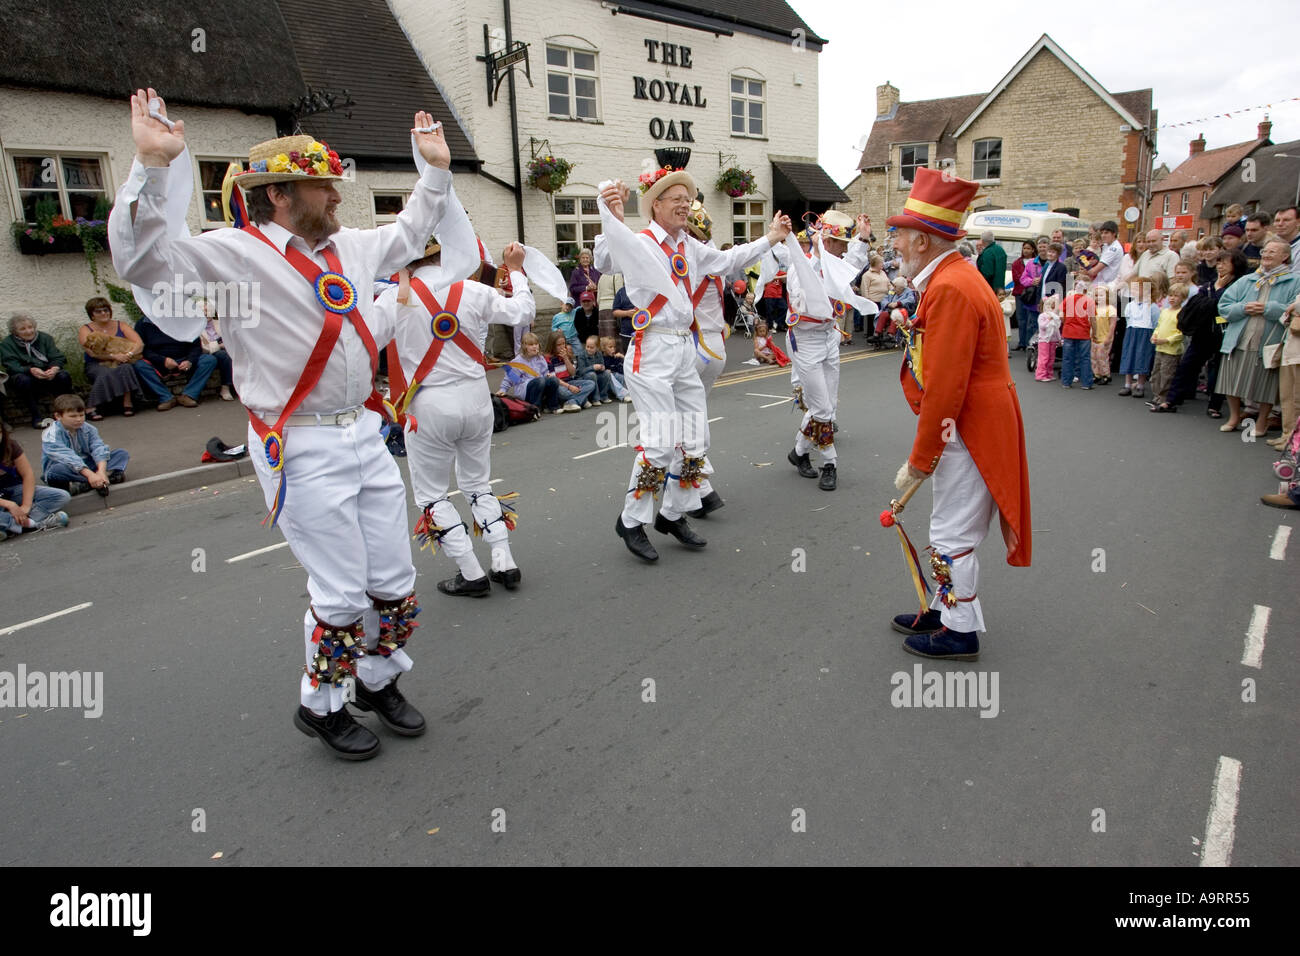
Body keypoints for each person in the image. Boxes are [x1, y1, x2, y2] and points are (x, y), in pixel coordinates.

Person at [109, 88, 454, 760]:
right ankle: (321, 704)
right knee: (342, 591)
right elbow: (142, 263)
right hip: (296, 444)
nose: (337, 198)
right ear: (279, 195)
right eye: (323, 188)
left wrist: (436, 170)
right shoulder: (231, 256)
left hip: (364, 433)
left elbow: (413, 232)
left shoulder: (351, 248)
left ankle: (376, 679)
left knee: (395, 580)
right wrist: (150, 167)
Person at [595, 167, 789, 561]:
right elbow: (604, 259)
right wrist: (611, 216)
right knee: (661, 442)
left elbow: (729, 259)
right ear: (656, 205)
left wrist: (771, 237)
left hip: (685, 347)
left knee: (697, 439)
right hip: (651, 352)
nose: (686, 205)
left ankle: (672, 512)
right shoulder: (640, 241)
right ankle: (631, 521)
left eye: (688, 199)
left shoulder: (690, 246)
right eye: (677, 199)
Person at [886, 167, 1031, 661]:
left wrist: (921, 458)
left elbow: (947, 388)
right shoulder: (952, 276)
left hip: (968, 425)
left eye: (901, 233)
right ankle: (946, 608)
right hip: (972, 421)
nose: (896, 243)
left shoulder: (950, 286)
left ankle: (960, 629)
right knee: (951, 522)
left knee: (953, 530)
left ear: (924, 241)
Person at [380, 237, 534, 598]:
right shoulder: (470, 289)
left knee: (432, 494)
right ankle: (503, 560)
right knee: (478, 483)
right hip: (477, 397)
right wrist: (515, 270)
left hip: (429, 405)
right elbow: (523, 312)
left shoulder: (393, 299)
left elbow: (361, 343)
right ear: (441, 255)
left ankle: (470, 571)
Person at [1215, 239, 1300, 434]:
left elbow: (1294, 310)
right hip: (1240, 339)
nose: (1266, 255)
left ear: (1285, 256)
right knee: (1232, 380)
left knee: (1265, 385)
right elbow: (1224, 306)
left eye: (1272, 252)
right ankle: (1234, 417)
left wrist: (1268, 309)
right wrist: (1243, 308)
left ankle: (1261, 423)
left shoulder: (1294, 282)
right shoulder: (1247, 280)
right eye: (1265, 252)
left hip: (1269, 342)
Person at [1157, 249, 1248, 416]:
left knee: (1218, 370)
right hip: (1203, 331)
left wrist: (1217, 294)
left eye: (1224, 263)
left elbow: (1224, 307)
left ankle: (1214, 405)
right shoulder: (1209, 284)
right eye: (1219, 262)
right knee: (1187, 365)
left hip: (1225, 333)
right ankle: (1171, 400)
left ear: (1236, 265)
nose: (1220, 266)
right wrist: (1215, 293)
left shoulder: (1241, 285)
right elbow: (1201, 304)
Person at [40, 393, 129, 496]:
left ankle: (88, 483)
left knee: (121, 454)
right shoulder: (51, 433)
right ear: (58, 416)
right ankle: (103, 479)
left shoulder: (88, 429)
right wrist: (90, 475)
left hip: (87, 465)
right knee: (56, 471)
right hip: (67, 467)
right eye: (73, 416)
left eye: (81, 415)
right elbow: (67, 457)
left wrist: (101, 471)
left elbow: (98, 448)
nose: (78, 419)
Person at [0, 417, 70, 539]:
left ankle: (9, 525)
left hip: (14, 489)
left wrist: (26, 506)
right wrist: (10, 505)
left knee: (61, 496)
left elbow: (27, 474)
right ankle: (34, 524)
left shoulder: (10, 445)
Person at [77, 297, 145, 419]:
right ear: (92, 315)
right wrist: (113, 356)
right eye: (98, 311)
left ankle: (127, 403)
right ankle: (92, 406)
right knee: (105, 373)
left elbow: (139, 344)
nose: (104, 313)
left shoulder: (121, 325)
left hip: (123, 359)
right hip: (96, 363)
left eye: (106, 310)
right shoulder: (86, 329)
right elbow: (92, 353)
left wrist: (127, 355)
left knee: (126, 368)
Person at [1, 314, 72, 429]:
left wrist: (54, 368)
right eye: (23, 329)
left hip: (46, 372)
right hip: (24, 374)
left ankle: (63, 413)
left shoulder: (45, 338)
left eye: (30, 327)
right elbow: (11, 365)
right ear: (15, 331)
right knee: (23, 381)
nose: (29, 331)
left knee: (64, 376)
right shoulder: (7, 344)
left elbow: (57, 356)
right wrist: (30, 370)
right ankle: (36, 417)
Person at [135, 315, 219, 408]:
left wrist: (189, 360)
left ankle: (188, 395)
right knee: (140, 365)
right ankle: (166, 398)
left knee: (209, 360)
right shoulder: (143, 323)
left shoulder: (184, 320)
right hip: (158, 361)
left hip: (184, 358)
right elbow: (144, 349)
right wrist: (163, 360)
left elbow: (195, 346)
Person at [1118, 274, 1164, 398]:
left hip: (1145, 333)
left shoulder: (1152, 306)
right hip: (1132, 332)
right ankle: (1127, 384)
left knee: (1142, 357)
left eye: (1137, 288)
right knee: (1129, 356)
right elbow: (1128, 319)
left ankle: (1140, 385)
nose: (1134, 291)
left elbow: (1156, 323)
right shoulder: (1129, 305)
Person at [498, 331, 563, 412]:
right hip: (525, 390)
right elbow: (510, 377)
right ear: (525, 346)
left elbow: (545, 372)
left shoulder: (540, 358)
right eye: (531, 345)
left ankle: (553, 407)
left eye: (536, 344)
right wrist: (503, 389)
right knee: (540, 381)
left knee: (553, 380)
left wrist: (548, 375)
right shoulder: (518, 361)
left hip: (539, 386)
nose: (535, 347)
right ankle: (535, 409)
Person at [1147, 282, 1188, 408]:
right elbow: (1159, 326)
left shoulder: (1182, 312)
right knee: (1156, 372)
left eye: (1176, 296)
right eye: (1170, 295)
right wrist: (1155, 335)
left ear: (1183, 298)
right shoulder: (1164, 311)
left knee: (1167, 374)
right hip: (1160, 348)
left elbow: (1181, 333)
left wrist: (1166, 340)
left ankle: (1164, 398)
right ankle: (1157, 395)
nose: (1172, 298)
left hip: (1172, 350)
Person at [545, 331, 594, 409]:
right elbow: (554, 379)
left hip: (570, 381)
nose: (562, 347)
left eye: (563, 343)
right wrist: (569, 387)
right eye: (558, 345)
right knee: (562, 392)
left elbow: (573, 373)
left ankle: (571, 402)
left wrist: (565, 358)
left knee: (591, 384)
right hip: (560, 385)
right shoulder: (548, 359)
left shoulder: (567, 354)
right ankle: (582, 400)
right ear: (552, 345)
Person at [1059, 282, 1094, 389]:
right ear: (1085, 290)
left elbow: (1060, 315)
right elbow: (1092, 319)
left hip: (1069, 332)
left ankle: (1066, 382)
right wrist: (1095, 332)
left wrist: (1066, 323)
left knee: (1068, 358)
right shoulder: (1089, 301)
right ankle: (1086, 383)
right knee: (1085, 358)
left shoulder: (1068, 299)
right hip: (1083, 332)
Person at [200, 306, 236, 401]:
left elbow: (232, 339)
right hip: (210, 354)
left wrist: (227, 344)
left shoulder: (220, 324)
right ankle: (225, 388)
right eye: (203, 311)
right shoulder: (196, 328)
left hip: (226, 350)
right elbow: (204, 348)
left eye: (208, 310)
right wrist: (219, 345)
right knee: (224, 355)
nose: (206, 313)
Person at [1010, 240, 1037, 351]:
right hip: (1020, 293)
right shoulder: (1017, 263)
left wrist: (1029, 280)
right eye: (1024, 248)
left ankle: (1029, 342)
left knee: (1031, 319)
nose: (1026, 250)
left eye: (1028, 248)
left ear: (1033, 250)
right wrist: (1029, 280)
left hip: (1033, 293)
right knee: (1021, 319)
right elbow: (1017, 278)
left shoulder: (1036, 262)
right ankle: (1021, 343)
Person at [575, 334, 616, 404]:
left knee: (607, 373)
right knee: (592, 374)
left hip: (597, 376)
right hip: (584, 377)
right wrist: (592, 367)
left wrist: (602, 368)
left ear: (597, 348)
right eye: (587, 346)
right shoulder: (581, 355)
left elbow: (602, 365)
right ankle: (595, 398)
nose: (589, 349)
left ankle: (603, 396)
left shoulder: (599, 354)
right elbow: (581, 371)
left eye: (591, 347)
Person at [1090, 284, 1117, 385]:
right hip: (1094, 336)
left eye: (1101, 295)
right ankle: (1096, 374)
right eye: (1096, 295)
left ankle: (1106, 374)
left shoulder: (1110, 309)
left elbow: (1112, 325)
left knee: (1102, 356)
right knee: (1093, 356)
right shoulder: (1093, 308)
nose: (1098, 298)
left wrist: (1109, 337)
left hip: (1105, 336)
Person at [1034, 294, 1062, 382]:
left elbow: (1056, 329)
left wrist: (1059, 339)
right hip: (1044, 340)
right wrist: (1048, 320)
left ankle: (1049, 374)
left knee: (1051, 358)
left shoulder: (1054, 316)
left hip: (1052, 340)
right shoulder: (1042, 316)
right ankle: (1040, 375)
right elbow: (1042, 326)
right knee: (1044, 357)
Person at [598, 336, 632, 400]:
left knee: (622, 376)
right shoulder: (600, 358)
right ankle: (623, 395)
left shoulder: (616, 357)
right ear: (603, 348)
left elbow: (623, 371)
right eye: (610, 347)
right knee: (609, 374)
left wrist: (623, 358)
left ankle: (631, 392)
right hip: (605, 382)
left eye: (614, 347)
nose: (613, 349)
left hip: (615, 380)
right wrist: (605, 370)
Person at [976, 230, 1007, 297]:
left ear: (983, 241)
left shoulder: (987, 253)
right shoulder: (1000, 250)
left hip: (990, 288)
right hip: (1000, 287)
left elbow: (988, 272)